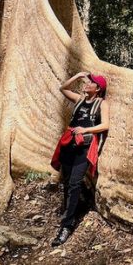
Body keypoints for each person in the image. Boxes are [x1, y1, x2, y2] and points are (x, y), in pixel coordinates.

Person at [50, 71, 110, 247]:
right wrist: (78, 76)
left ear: (97, 88)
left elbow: (105, 125)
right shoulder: (79, 100)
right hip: (69, 145)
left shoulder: (102, 104)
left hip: (84, 147)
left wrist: (85, 130)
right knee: (67, 182)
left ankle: (67, 226)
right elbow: (62, 88)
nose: (86, 83)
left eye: (90, 82)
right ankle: (69, 210)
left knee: (75, 183)